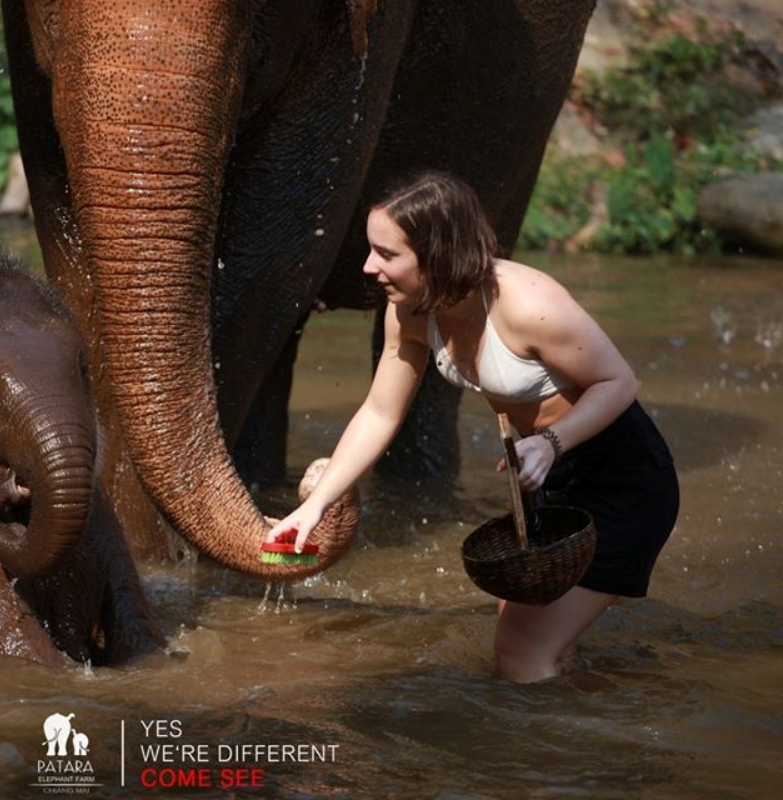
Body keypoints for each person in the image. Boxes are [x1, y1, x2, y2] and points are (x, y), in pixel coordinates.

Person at [267, 170, 679, 683]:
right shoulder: (410, 311)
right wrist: (315, 506)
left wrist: (551, 443)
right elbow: (380, 411)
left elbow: (619, 382)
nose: (369, 266)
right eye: (370, 249)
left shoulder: (529, 305)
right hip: (544, 477)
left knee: (519, 653)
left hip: (622, 481)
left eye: (387, 254)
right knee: (531, 644)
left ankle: (552, 758)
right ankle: (595, 715)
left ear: (438, 254)